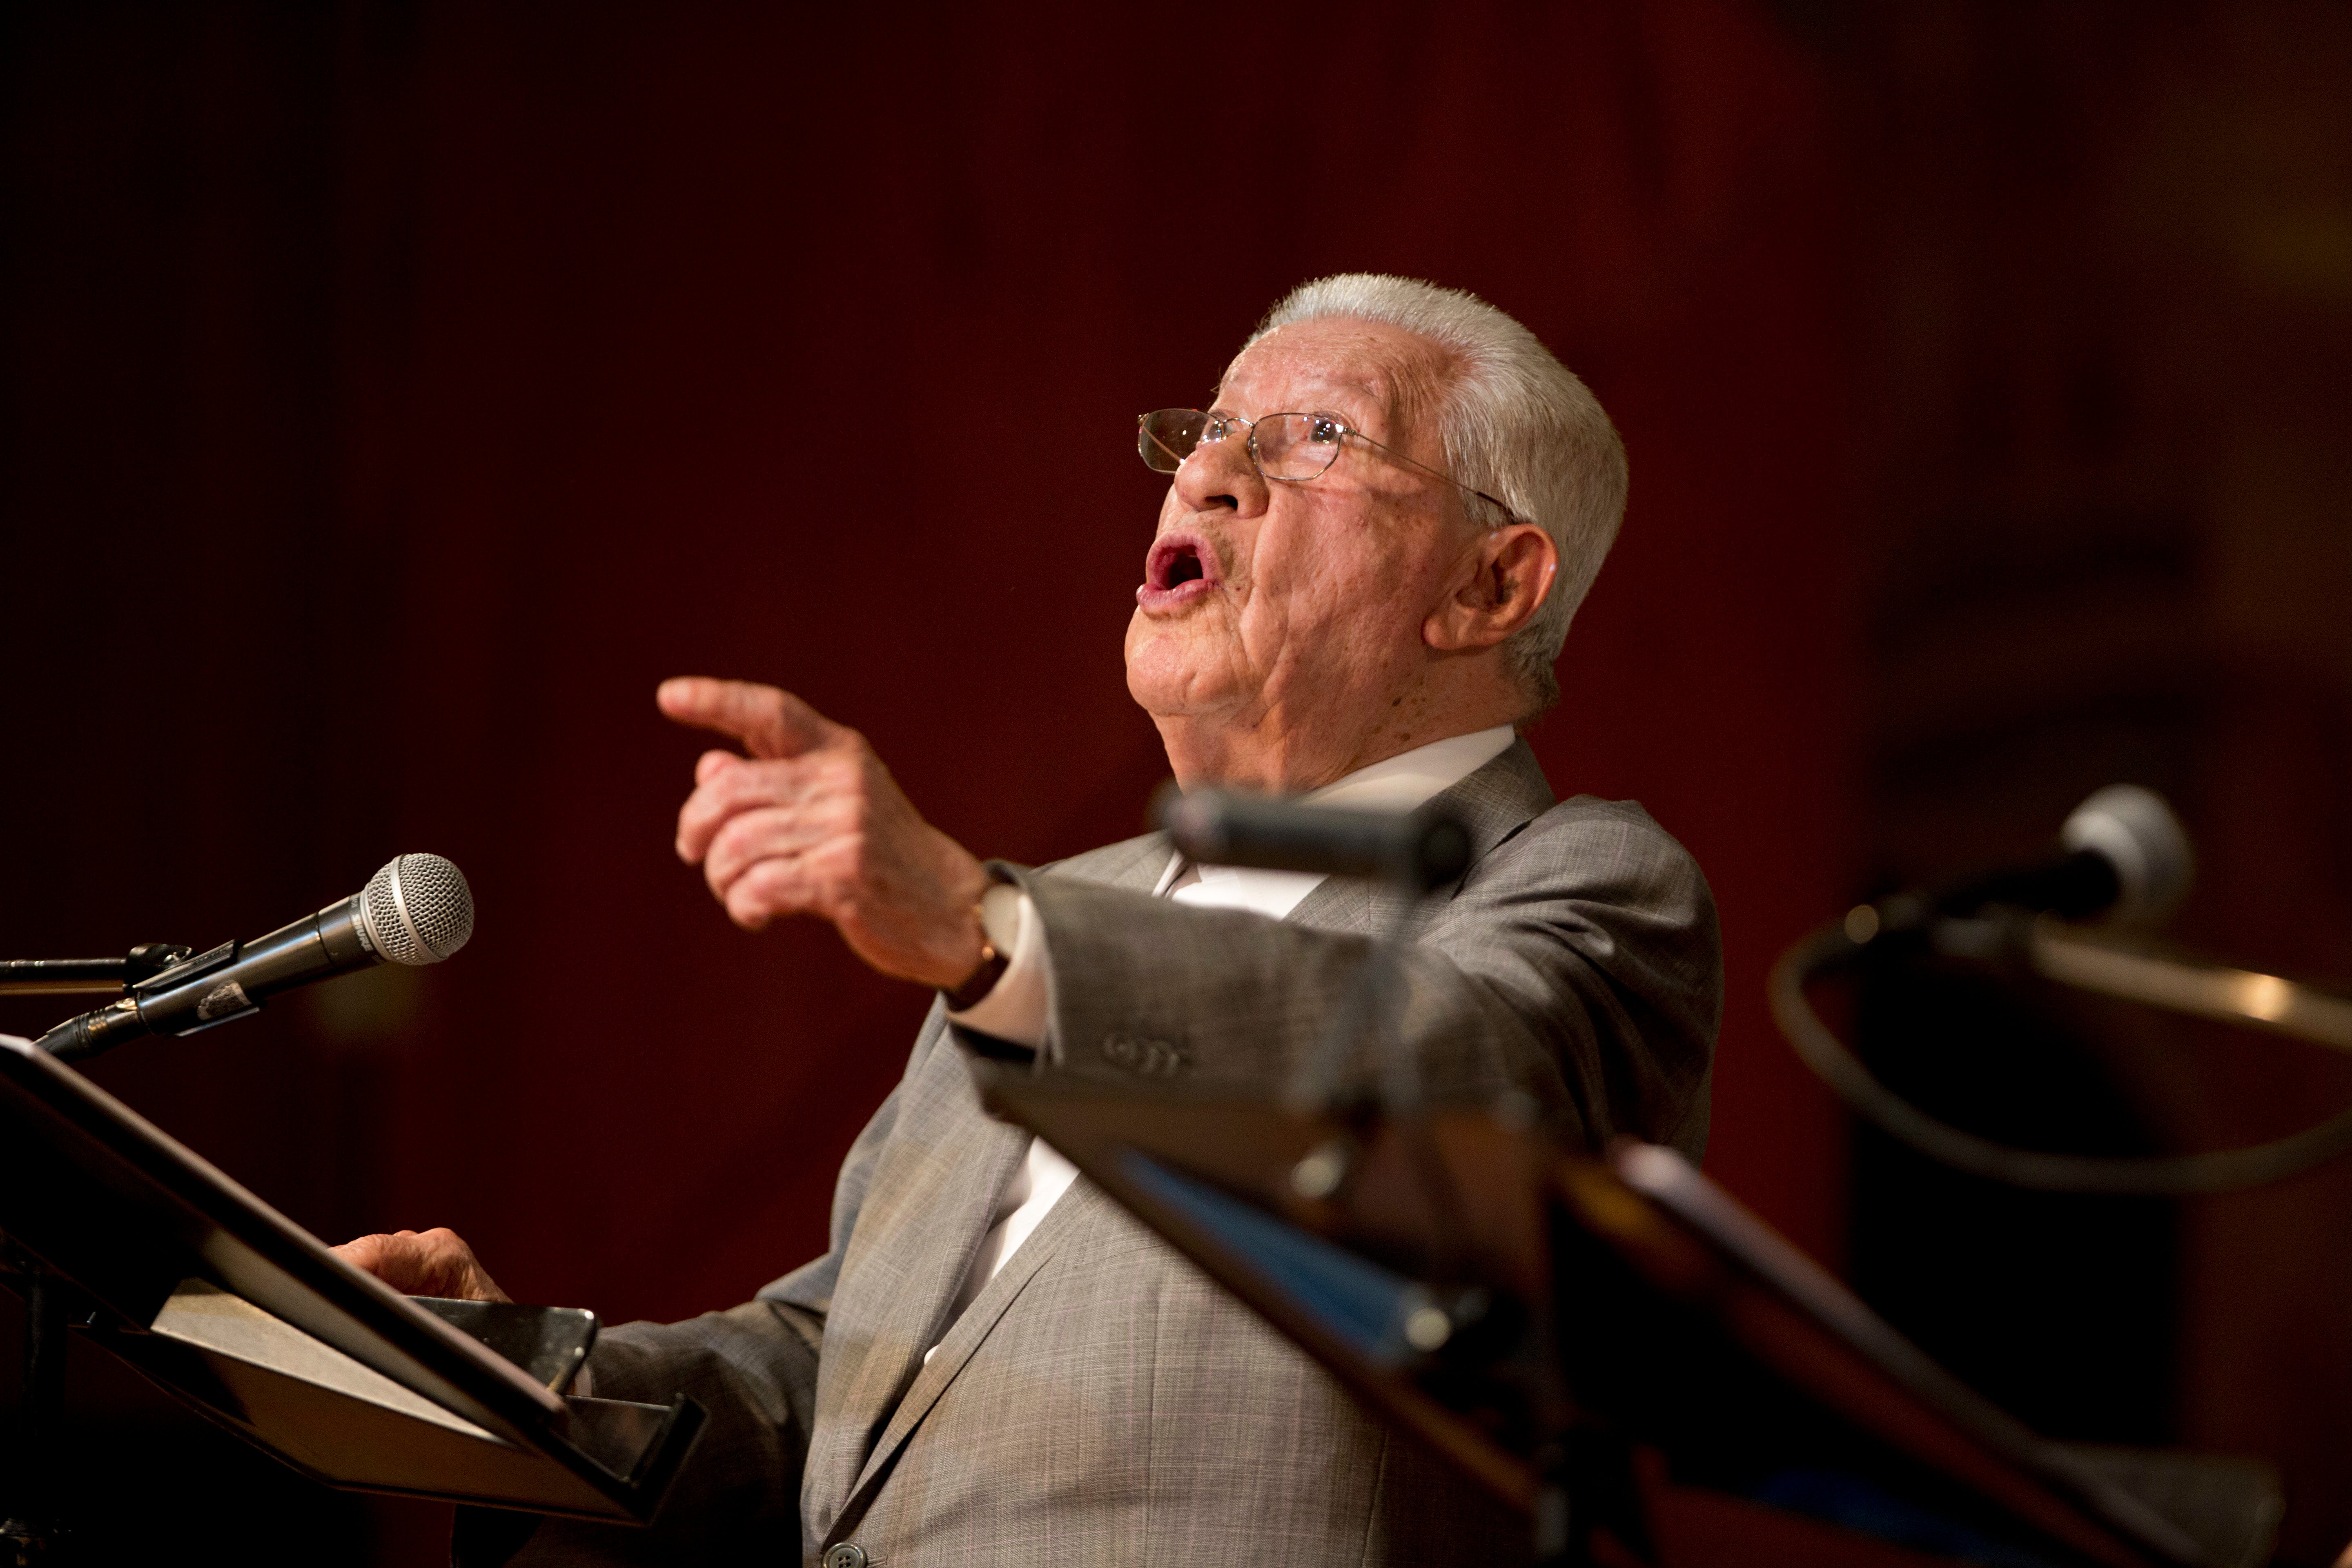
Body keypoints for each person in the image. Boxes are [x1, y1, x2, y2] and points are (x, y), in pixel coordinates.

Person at [340, 274, 1723, 1567]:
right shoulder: (1064, 912)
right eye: (1208, 431)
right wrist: (520, 1383)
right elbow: (838, 1378)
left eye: (1315, 438)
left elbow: (1434, 1084)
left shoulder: (1576, 883)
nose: (1208, 473)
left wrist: (982, 930)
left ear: (1490, 586)